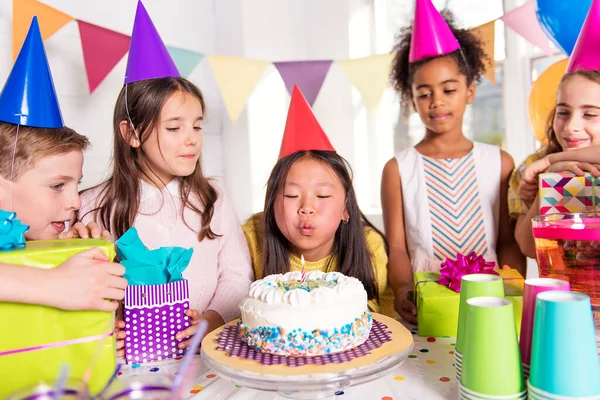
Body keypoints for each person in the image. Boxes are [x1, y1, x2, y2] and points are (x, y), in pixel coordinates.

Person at [78, 2, 253, 355]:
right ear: (131, 133)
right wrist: (102, 326)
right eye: (174, 127)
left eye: (197, 126)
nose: (192, 138)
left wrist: (213, 320)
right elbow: (80, 286)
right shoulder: (89, 206)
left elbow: (236, 276)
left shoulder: (213, 197)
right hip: (128, 364)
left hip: (206, 358)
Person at [382, 1, 524, 323]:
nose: (437, 102)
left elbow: (506, 240)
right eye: (424, 93)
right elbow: (398, 249)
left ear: (470, 91)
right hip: (428, 305)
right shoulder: (398, 169)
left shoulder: (499, 163)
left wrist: (515, 288)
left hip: (490, 303)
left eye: (449, 89)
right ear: (411, 98)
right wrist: (404, 288)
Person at [0, 17, 126, 312]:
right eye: (57, 185)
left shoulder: (37, 237)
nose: (75, 201)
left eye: (76, 184)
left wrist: (69, 254)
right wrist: (52, 284)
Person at [243, 86, 395, 317]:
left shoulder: (368, 247)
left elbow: (377, 306)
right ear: (271, 203)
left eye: (322, 196)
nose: (306, 208)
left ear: (346, 208)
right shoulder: (252, 238)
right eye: (291, 196)